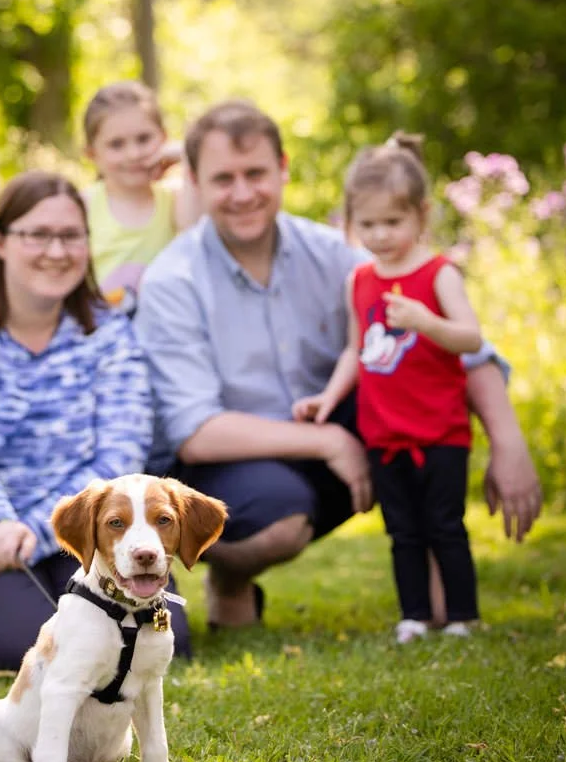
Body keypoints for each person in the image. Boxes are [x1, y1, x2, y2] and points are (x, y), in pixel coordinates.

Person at [134, 100, 543, 630]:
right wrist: (332, 442)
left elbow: (456, 345)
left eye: (256, 173)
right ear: (194, 180)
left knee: (414, 396)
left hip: (328, 430)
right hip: (227, 463)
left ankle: (440, 596)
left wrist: (508, 445)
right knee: (278, 521)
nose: (242, 194)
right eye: (223, 179)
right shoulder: (174, 281)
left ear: (282, 169)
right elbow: (195, 433)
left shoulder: (334, 256)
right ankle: (230, 577)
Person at [0, 171, 188, 680]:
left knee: (156, 626)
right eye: (37, 234)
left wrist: (27, 531)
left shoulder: (109, 332)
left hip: (65, 528)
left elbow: (120, 455)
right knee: (11, 641)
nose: (57, 250)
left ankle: (14, 593)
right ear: (1, 242)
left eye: (71, 235)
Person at [294, 134, 483, 644]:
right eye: (368, 224)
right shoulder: (360, 280)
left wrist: (426, 321)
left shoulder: (437, 274)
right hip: (385, 433)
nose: (380, 235)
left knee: (445, 526)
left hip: (439, 431)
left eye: (392, 223)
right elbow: (356, 351)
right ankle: (414, 616)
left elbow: (471, 336)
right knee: (402, 532)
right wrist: (328, 399)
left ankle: (463, 616)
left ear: (421, 215)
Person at [82, 80, 199, 306]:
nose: (133, 154)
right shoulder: (83, 205)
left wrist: (184, 155)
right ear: (92, 154)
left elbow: (194, 242)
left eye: (144, 139)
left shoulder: (175, 199)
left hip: (163, 331)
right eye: (116, 145)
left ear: (164, 138)